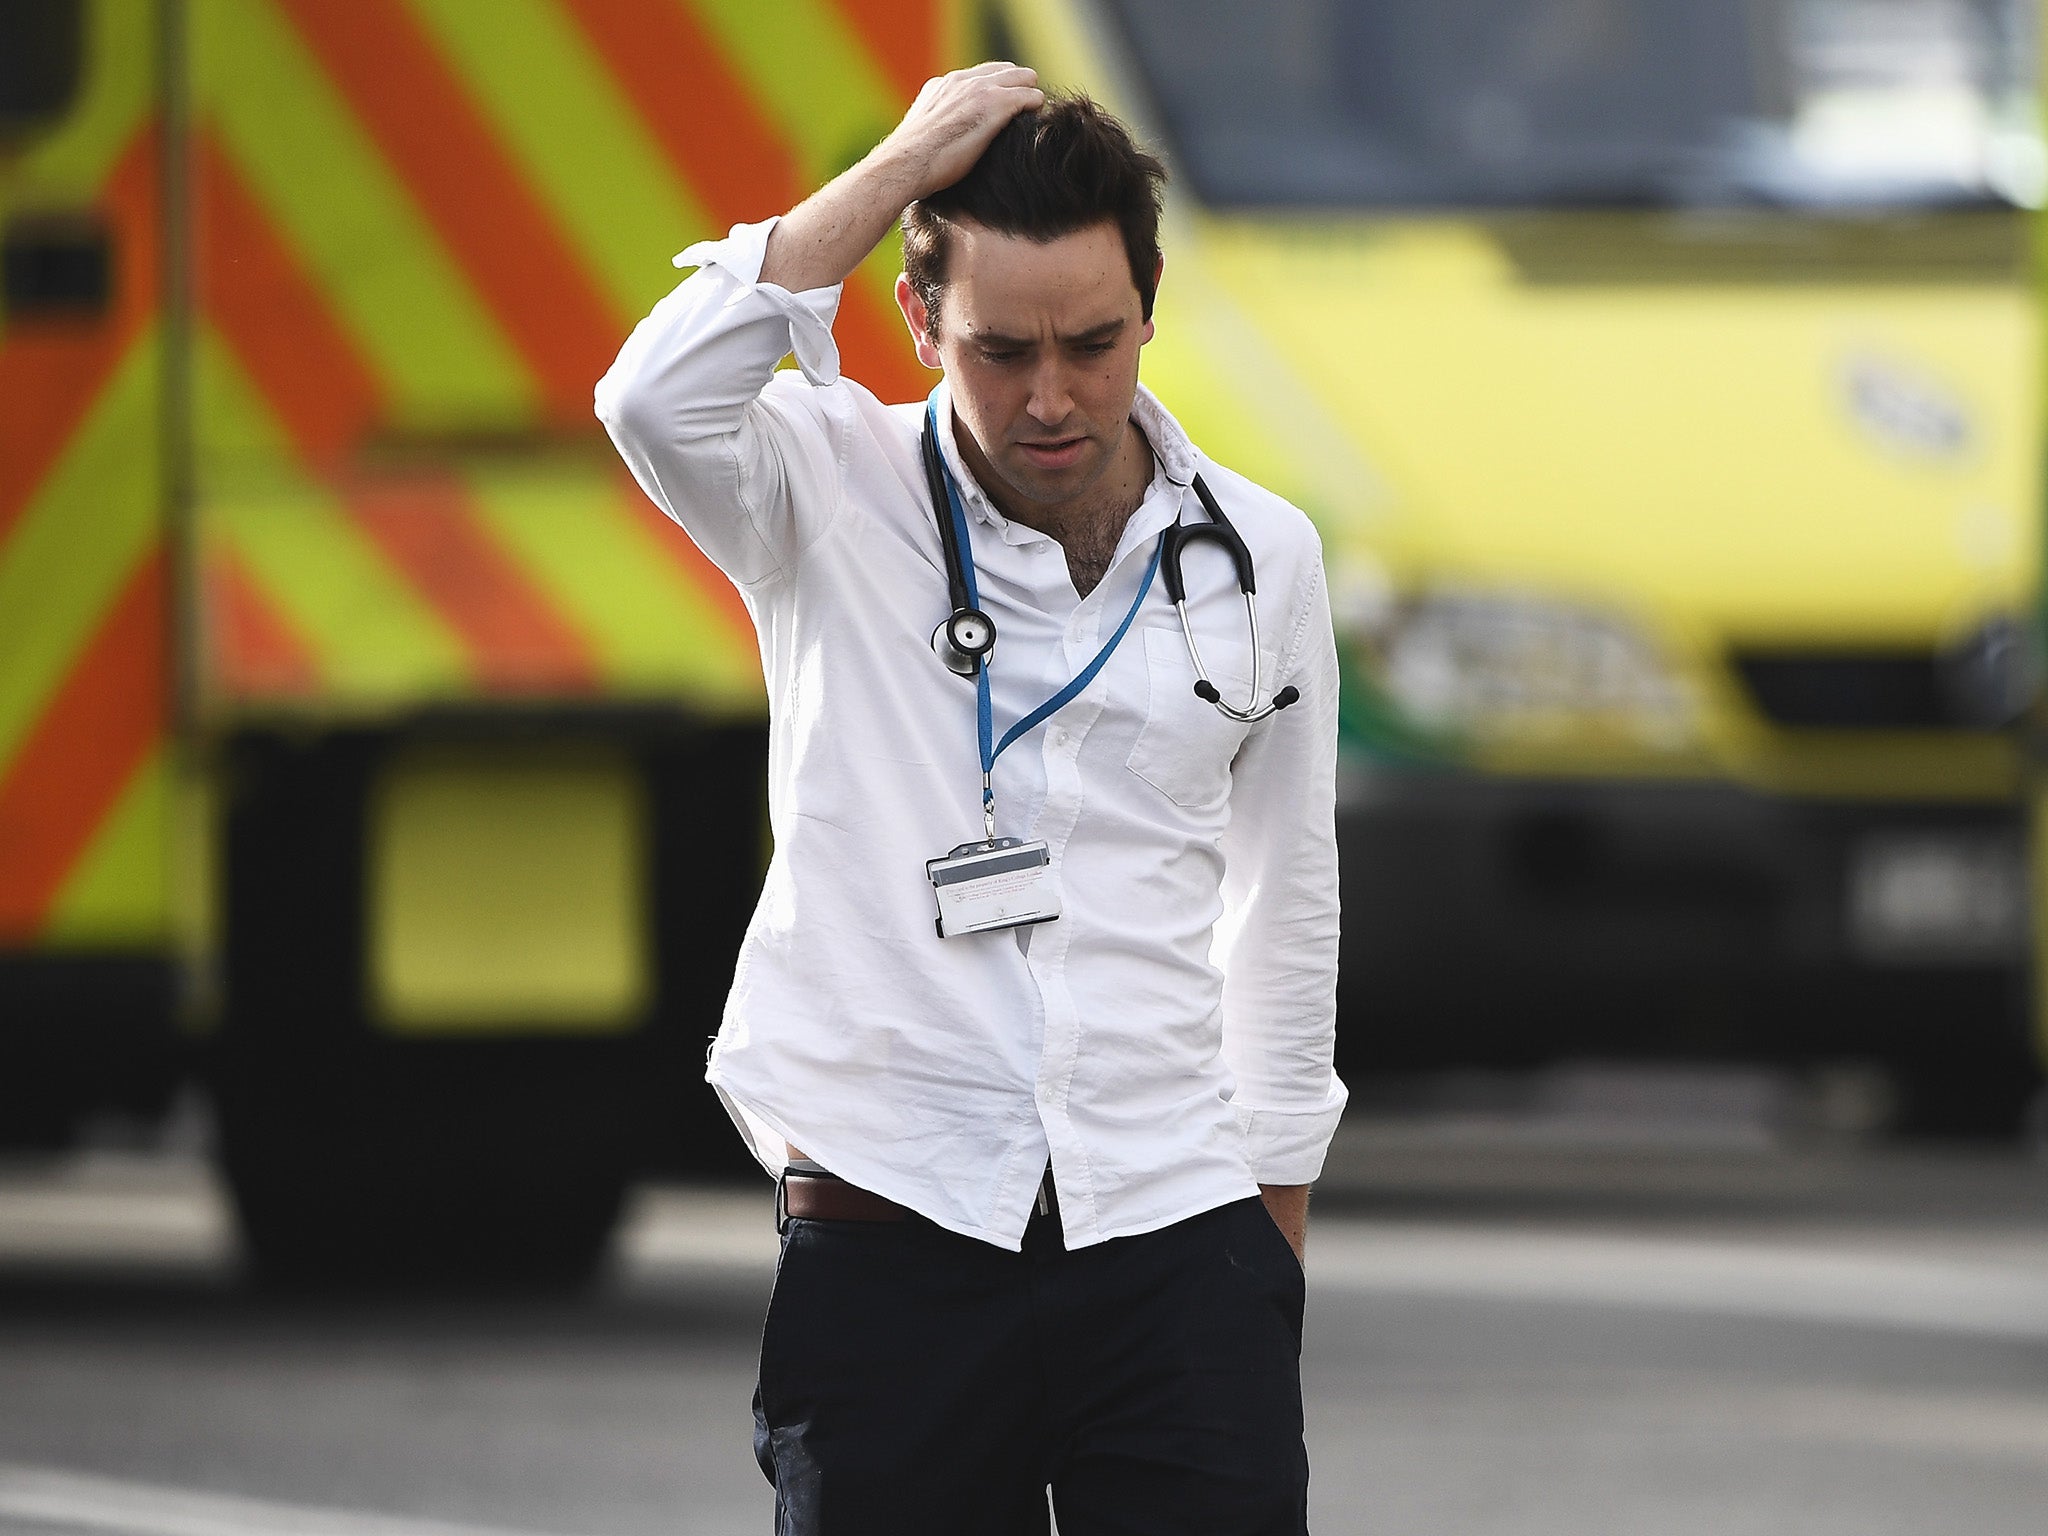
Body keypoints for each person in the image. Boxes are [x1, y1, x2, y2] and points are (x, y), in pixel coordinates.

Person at [596, 62, 1345, 1536]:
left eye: (1094, 342)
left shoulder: (1263, 555)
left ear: (1149, 312)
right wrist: (899, 165)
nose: (1052, 397)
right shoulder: (823, 485)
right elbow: (651, 398)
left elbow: (1288, 898)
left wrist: (1272, 1233)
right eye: (1002, 351)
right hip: (896, 1225)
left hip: (1175, 1233)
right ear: (918, 321)